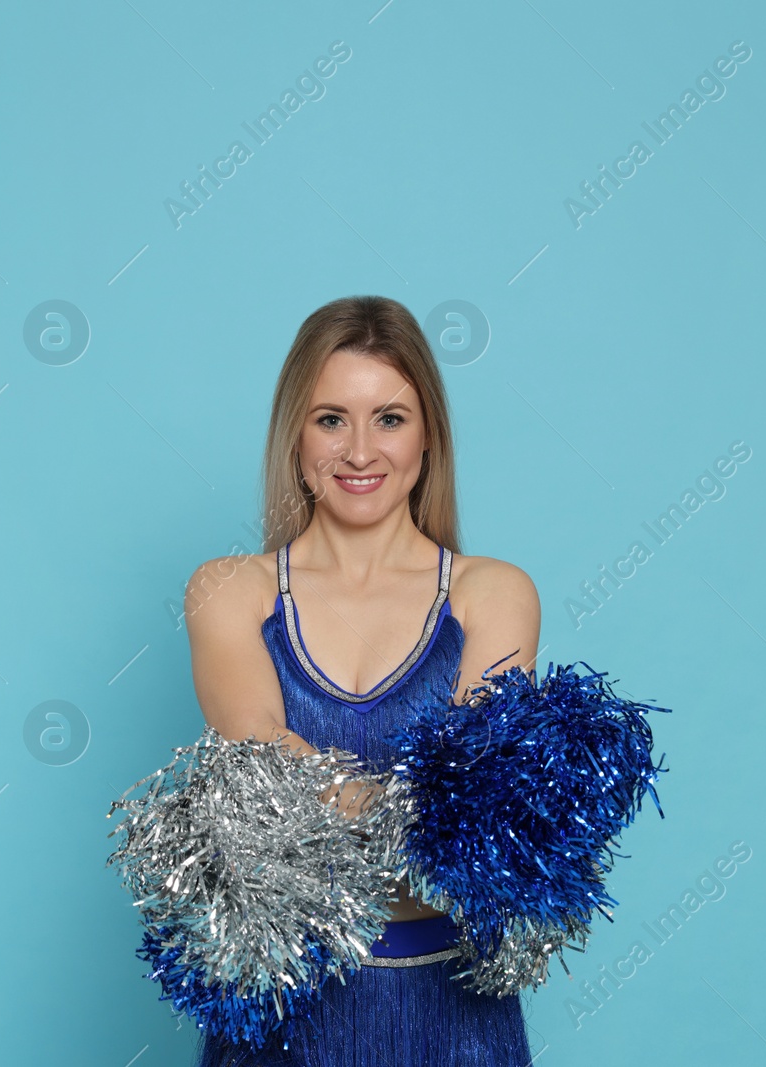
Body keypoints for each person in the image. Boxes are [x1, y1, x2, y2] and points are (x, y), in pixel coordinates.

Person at [183, 295, 540, 1065]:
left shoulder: (494, 593)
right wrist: (417, 821)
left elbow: (469, 826)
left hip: (453, 1021)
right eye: (331, 418)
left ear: (428, 436)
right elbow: (261, 762)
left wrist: (341, 822)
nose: (358, 451)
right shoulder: (228, 589)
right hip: (282, 1016)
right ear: (296, 433)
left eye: (389, 418)